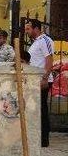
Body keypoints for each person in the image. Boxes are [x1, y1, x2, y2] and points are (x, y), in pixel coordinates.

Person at [25, 19, 54, 147]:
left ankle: (44, 140)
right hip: (34, 81)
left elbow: (49, 59)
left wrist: (45, 78)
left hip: (42, 80)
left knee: (41, 110)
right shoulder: (35, 43)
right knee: (34, 110)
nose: (26, 32)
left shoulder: (45, 40)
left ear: (36, 28)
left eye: (28, 29)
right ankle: (36, 137)